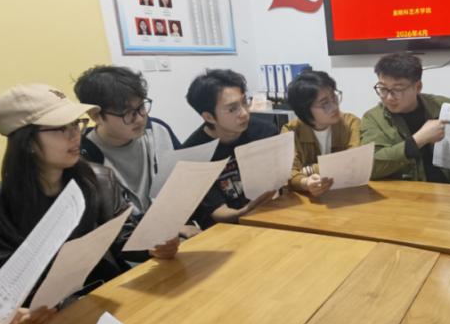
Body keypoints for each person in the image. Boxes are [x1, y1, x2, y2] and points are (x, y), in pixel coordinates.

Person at [0, 84, 177, 294]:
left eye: (75, 124)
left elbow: (123, 239)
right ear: (27, 141)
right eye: (61, 128)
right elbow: (6, 289)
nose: (75, 135)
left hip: (108, 293)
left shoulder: (100, 180)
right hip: (48, 311)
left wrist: (152, 246)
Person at [361, 52, 450, 183]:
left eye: (397, 89)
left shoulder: (441, 106)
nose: (389, 97)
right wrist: (419, 140)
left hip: (448, 189)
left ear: (418, 87)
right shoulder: (373, 118)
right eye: (383, 89)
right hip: (404, 193)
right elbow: (370, 167)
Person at [74, 66, 180, 214]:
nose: (140, 119)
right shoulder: (83, 155)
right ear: (96, 116)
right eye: (127, 113)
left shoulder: (158, 130)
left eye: (141, 107)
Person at [182, 69, 277, 226]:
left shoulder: (265, 132)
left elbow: (277, 183)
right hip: (227, 228)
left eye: (244, 102)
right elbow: (217, 213)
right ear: (209, 117)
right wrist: (247, 211)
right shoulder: (193, 155)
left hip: (270, 215)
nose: (244, 113)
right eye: (232, 109)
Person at [281, 70, 360, 196]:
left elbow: (355, 161)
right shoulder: (291, 131)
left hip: (346, 194)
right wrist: (306, 182)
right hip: (309, 199)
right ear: (306, 110)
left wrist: (309, 169)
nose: (334, 107)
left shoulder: (351, 123)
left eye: (334, 97)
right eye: (325, 104)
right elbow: (288, 174)